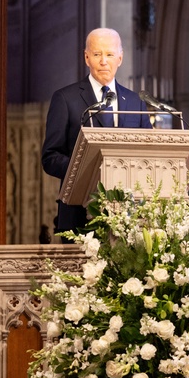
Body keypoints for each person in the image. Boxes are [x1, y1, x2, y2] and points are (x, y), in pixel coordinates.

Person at [41, 28, 152, 233]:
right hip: (78, 216)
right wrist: (88, 170)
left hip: (131, 219)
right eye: (97, 54)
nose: (103, 61)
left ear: (120, 57)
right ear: (86, 57)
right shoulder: (66, 99)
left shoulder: (136, 101)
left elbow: (150, 153)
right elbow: (50, 157)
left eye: (109, 54)